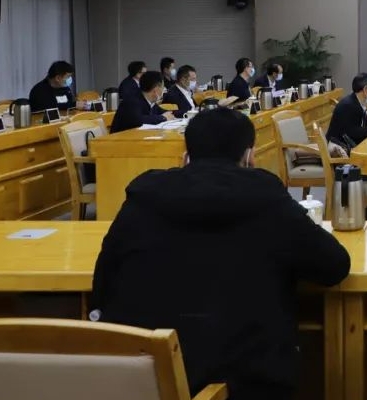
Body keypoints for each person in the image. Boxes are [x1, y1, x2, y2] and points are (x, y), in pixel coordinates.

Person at [91, 108, 350, 400]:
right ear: (249, 157)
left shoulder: (143, 197)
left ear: (186, 156)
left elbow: (103, 280)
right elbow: (334, 266)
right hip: (246, 382)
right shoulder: (266, 197)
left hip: (144, 381)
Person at [326, 73, 367, 148]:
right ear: (366, 89)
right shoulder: (349, 105)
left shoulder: (357, 101)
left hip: (349, 141)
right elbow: (354, 133)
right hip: (339, 146)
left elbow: (362, 128)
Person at [110, 71, 175, 132]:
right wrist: (163, 117)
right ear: (156, 89)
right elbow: (138, 120)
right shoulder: (132, 100)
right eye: (163, 87)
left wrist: (176, 114)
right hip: (120, 138)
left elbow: (164, 112)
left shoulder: (149, 101)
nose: (164, 90)